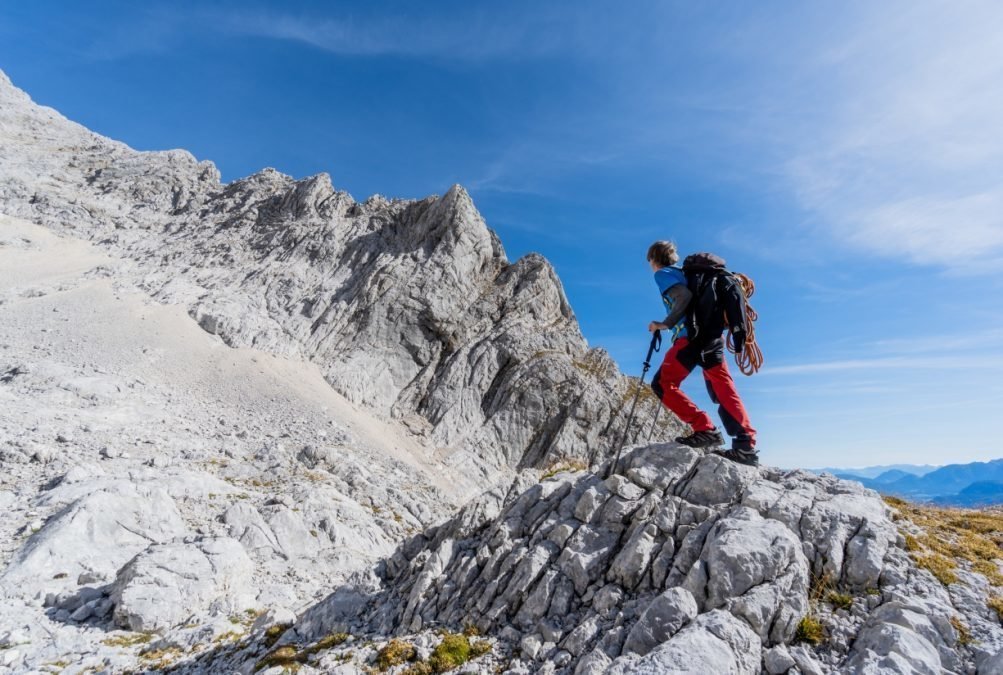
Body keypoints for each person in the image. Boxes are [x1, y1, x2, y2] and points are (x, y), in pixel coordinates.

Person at [645, 240, 759, 466]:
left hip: (691, 339)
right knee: (722, 387)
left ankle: (705, 428)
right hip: (711, 336)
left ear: (653, 259)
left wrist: (664, 324)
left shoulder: (663, 274)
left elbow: (683, 298)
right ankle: (745, 445)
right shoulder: (689, 274)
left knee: (662, 384)